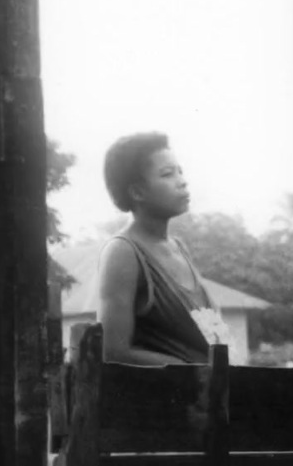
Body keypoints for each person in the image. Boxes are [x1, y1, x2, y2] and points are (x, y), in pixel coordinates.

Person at [94, 132, 219, 366]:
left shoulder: (179, 247)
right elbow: (112, 352)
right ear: (137, 192)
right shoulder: (123, 252)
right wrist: (187, 371)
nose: (182, 181)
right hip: (169, 396)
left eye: (180, 171)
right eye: (167, 174)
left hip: (213, 394)